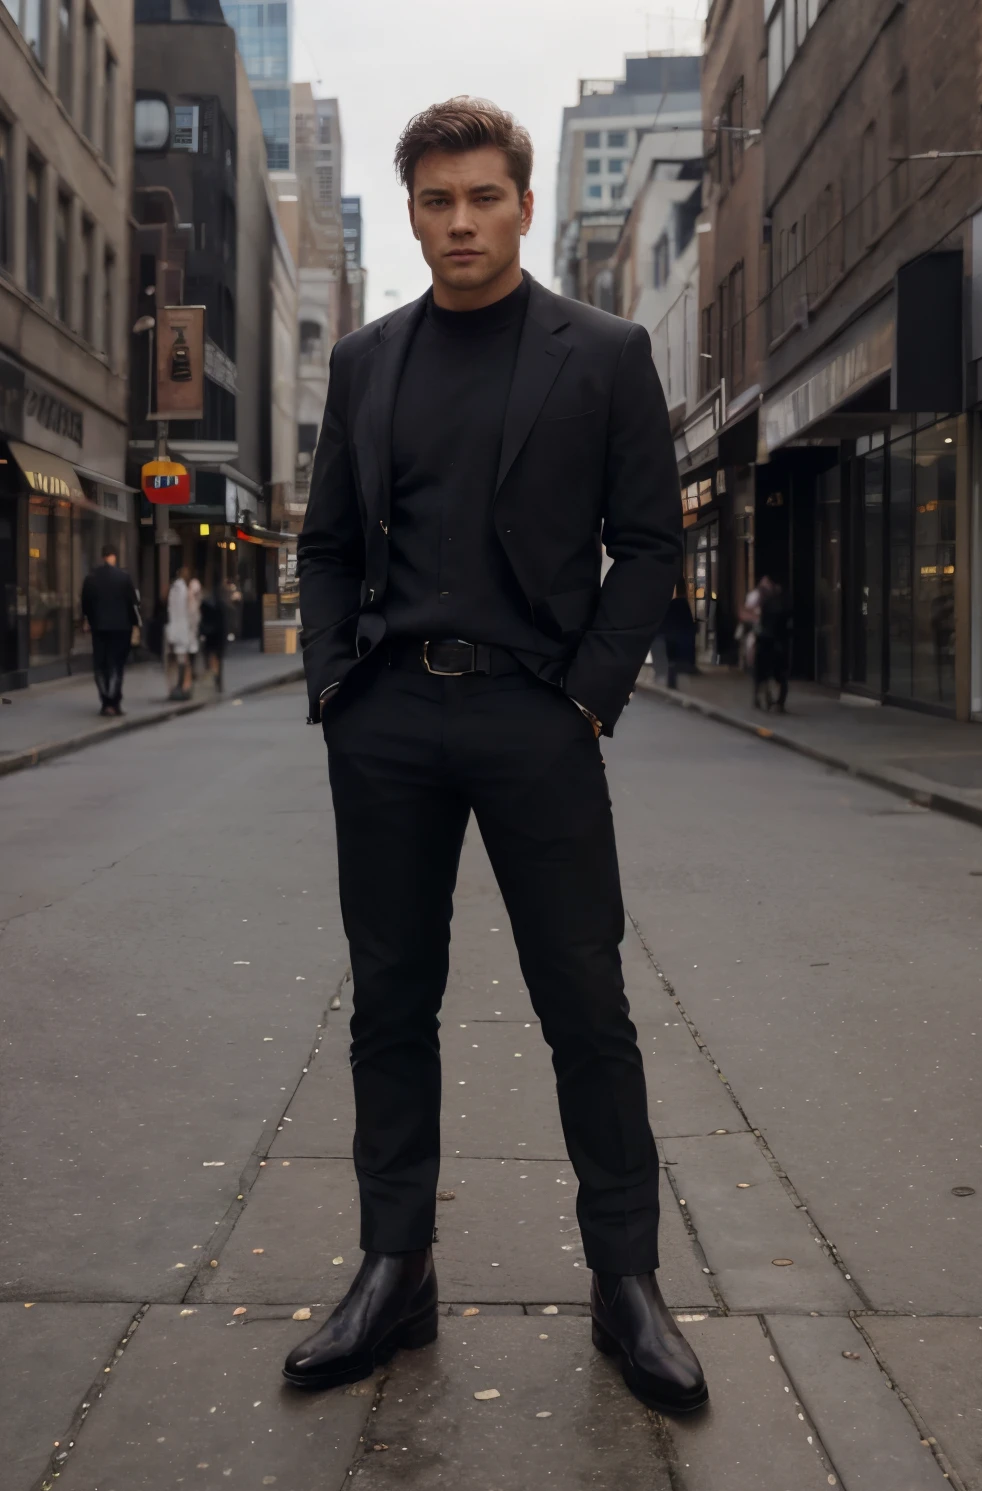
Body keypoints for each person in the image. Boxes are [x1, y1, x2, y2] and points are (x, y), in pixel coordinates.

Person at [284, 97, 708, 1417]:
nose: (459, 222)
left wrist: (588, 696)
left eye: (481, 197)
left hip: (537, 718)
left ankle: (627, 1281)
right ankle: (395, 1268)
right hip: (391, 724)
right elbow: (329, 542)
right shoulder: (366, 360)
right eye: (434, 201)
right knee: (391, 1004)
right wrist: (334, 686)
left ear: (523, 202)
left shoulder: (605, 351)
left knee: (587, 1004)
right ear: (412, 211)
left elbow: (649, 544)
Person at [80, 544, 139, 717]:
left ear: (102, 556)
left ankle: (105, 700)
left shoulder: (91, 578)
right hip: (121, 628)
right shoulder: (124, 577)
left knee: (100, 664)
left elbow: (85, 604)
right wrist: (134, 624)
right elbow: (132, 603)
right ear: (114, 556)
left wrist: (89, 621)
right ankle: (114, 700)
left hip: (99, 627)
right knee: (116, 665)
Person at [752, 575, 791, 712]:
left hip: (765, 642)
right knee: (780, 675)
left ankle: (761, 699)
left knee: (763, 673)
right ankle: (778, 703)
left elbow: (761, 623)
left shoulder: (766, 603)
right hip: (778, 643)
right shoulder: (783, 604)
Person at [165, 568, 197, 700]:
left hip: (173, 628)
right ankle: (183, 687)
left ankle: (175, 687)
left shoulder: (173, 589)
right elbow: (191, 611)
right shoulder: (186, 590)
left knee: (174, 660)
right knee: (184, 659)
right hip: (184, 629)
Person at [659, 588, 697, 688]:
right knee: (675, 662)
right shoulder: (683, 604)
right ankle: (673, 682)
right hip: (679, 636)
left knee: (671, 661)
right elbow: (688, 622)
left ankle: (671, 682)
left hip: (670, 636)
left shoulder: (670, 604)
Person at [200, 576, 229, 691]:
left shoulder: (207, 604)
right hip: (218, 634)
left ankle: (214, 680)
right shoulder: (221, 604)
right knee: (217, 658)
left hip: (212, 635)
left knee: (211, 657)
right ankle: (217, 681)